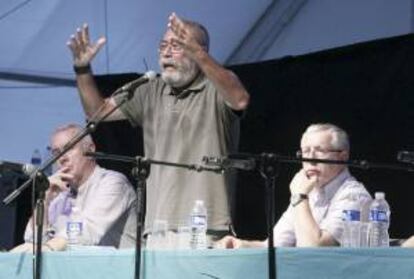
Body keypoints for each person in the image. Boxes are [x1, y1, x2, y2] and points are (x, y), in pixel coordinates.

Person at [66, 13, 250, 239]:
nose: (166, 51)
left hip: (205, 226)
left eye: (177, 45)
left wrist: (199, 55)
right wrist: (82, 70)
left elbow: (240, 99)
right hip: (157, 227)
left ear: (199, 51)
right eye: (163, 45)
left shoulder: (215, 89)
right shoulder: (150, 89)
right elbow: (97, 113)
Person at [218, 123, 372, 248]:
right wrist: (240, 245)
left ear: (343, 157)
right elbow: (272, 246)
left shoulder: (354, 196)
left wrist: (300, 197)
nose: (310, 159)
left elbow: (314, 250)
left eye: (319, 151)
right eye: (305, 151)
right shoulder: (308, 193)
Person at [23, 123, 137, 249]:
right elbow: (31, 240)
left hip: (119, 267)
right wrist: (45, 200)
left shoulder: (113, 183)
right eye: (56, 153)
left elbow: (87, 233)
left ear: (90, 149)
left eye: (69, 148)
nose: (62, 158)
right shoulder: (59, 196)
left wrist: (47, 248)